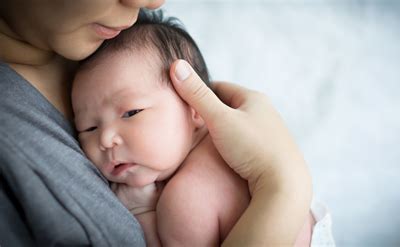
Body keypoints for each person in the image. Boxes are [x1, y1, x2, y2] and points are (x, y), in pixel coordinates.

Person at [0, 0, 320, 246]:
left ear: (195, 107)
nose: (106, 139)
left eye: (131, 113)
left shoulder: (123, 37)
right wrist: (284, 183)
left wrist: (144, 216)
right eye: (89, 129)